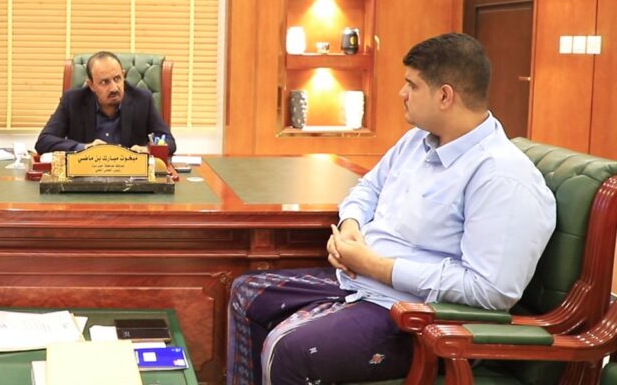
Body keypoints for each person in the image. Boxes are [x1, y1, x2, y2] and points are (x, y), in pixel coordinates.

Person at [226, 33, 556, 385]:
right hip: (360, 282)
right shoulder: (417, 140)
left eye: (412, 85)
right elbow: (368, 187)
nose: (402, 93)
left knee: (289, 350)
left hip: (418, 317)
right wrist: (351, 225)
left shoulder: (502, 176)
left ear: (445, 96)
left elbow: (490, 290)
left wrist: (375, 266)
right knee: (247, 293)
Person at [35, 51, 175, 155]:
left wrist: (148, 150)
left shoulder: (142, 99)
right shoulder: (73, 101)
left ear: (123, 75)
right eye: (104, 82)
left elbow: (169, 142)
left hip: (130, 178)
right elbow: (44, 141)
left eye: (117, 79)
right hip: (86, 176)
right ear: (91, 85)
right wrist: (84, 148)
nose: (114, 88)